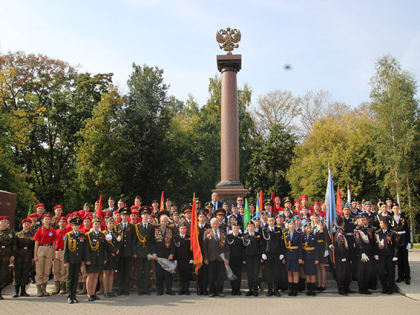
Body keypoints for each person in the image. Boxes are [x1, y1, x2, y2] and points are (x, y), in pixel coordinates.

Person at [203, 217, 230, 297]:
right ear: (211, 224)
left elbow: (226, 247)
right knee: (211, 276)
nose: (215, 225)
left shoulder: (223, 233)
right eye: (213, 223)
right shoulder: (206, 233)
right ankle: (212, 291)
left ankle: (220, 291)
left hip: (221, 258)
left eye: (216, 223)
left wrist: (227, 258)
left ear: (219, 224)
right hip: (211, 258)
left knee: (220, 276)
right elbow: (205, 247)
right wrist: (205, 258)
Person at [151, 212, 175, 295]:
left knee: (168, 274)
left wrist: (172, 253)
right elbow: (152, 243)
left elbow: (172, 243)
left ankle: (169, 289)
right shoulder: (155, 229)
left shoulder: (170, 229)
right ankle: (159, 290)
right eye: (162, 221)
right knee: (159, 274)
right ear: (160, 221)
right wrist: (154, 253)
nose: (164, 223)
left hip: (168, 255)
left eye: (165, 221)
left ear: (168, 222)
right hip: (158, 255)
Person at [32, 213, 56, 297]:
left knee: (47, 270)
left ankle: (44, 289)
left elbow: (53, 243)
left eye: (48, 219)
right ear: (42, 221)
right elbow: (36, 243)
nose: (47, 220)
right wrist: (35, 255)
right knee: (39, 270)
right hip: (41, 249)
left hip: (49, 249)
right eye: (45, 219)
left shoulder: (52, 230)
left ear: (50, 221)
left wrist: (53, 254)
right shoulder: (39, 230)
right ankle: (39, 290)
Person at [262, 216, 285, 296]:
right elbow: (262, 243)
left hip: (277, 254)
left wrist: (282, 253)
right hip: (268, 255)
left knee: (276, 273)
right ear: (267, 222)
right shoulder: (264, 231)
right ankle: (269, 290)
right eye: (270, 221)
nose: (271, 222)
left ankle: (275, 290)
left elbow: (282, 242)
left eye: (272, 220)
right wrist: (263, 253)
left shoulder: (278, 230)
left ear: (274, 221)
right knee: (269, 273)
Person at [133, 206, 154, 295]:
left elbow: (153, 241)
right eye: (143, 214)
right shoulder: (137, 226)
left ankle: (146, 289)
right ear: (141, 216)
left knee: (147, 271)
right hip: (139, 252)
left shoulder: (151, 227)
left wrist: (152, 252)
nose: (145, 216)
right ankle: (140, 289)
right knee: (139, 271)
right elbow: (134, 241)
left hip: (148, 252)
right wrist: (134, 252)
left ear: (149, 216)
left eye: (147, 214)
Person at [64, 216, 85, 304]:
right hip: (70, 260)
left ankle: (74, 296)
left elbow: (83, 249)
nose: (76, 227)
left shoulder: (82, 235)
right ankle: (69, 296)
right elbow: (66, 249)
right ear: (72, 226)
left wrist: (83, 260)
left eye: (78, 225)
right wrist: (66, 261)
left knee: (76, 278)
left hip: (78, 260)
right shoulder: (68, 235)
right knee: (69, 278)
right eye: (75, 225)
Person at [85, 218, 107, 301]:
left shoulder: (102, 235)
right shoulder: (88, 235)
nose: (97, 225)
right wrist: (87, 259)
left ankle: (93, 293)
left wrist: (105, 258)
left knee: (96, 276)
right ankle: (89, 294)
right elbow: (86, 249)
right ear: (92, 225)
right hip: (91, 259)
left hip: (99, 259)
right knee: (90, 276)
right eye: (95, 224)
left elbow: (104, 248)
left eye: (98, 224)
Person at [115, 207, 135, 295]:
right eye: (123, 215)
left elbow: (134, 240)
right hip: (119, 252)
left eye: (126, 215)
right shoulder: (117, 226)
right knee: (120, 271)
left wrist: (133, 252)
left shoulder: (132, 226)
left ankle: (126, 289)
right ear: (121, 216)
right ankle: (120, 289)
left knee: (127, 271)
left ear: (128, 216)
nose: (125, 217)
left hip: (128, 252)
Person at [375, 218, 398, 294]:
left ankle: (391, 288)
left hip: (390, 256)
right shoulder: (378, 233)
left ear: (385, 224)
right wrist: (376, 254)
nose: (380, 225)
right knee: (381, 272)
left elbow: (396, 246)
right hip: (381, 256)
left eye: (381, 223)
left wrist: (395, 255)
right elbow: (376, 244)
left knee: (391, 273)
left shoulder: (392, 233)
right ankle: (384, 287)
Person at [354, 213, 375, 294]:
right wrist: (362, 252)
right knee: (362, 272)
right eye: (361, 220)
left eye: (364, 220)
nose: (363, 221)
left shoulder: (364, 229)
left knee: (367, 271)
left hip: (368, 252)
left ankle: (365, 288)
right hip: (361, 254)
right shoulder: (357, 230)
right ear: (357, 221)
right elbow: (358, 242)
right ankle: (362, 289)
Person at [391, 203, 411, 285]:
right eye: (394, 208)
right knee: (398, 260)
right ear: (392, 209)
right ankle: (400, 276)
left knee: (405, 260)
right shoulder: (390, 218)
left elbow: (407, 230)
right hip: (396, 241)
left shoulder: (403, 218)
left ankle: (407, 277)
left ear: (398, 209)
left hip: (403, 240)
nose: (396, 209)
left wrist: (409, 242)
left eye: (397, 208)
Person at [12, 218, 33, 298]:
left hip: (28, 256)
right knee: (17, 273)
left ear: (30, 225)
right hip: (19, 257)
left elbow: (34, 246)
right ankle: (16, 291)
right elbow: (14, 246)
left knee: (25, 273)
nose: (26, 225)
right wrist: (13, 255)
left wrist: (33, 257)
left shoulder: (32, 235)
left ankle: (23, 291)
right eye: (25, 224)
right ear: (22, 225)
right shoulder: (17, 235)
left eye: (28, 224)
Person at [333, 216, 352, 295]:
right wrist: (343, 256)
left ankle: (346, 288)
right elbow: (340, 245)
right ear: (342, 223)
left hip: (345, 255)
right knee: (341, 273)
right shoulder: (339, 232)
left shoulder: (341, 231)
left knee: (347, 273)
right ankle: (341, 289)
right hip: (341, 256)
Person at [242, 221, 262, 296]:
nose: (251, 227)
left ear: (254, 227)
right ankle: (250, 289)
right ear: (247, 228)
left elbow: (261, 247)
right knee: (249, 274)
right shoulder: (244, 236)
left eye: (252, 226)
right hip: (248, 258)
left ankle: (255, 290)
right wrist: (243, 259)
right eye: (249, 226)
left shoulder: (258, 235)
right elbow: (243, 249)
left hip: (256, 257)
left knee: (256, 274)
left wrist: (261, 257)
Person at [284, 219, 303, 296]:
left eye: (293, 224)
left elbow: (300, 247)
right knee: (289, 273)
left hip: (295, 255)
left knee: (295, 272)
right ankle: (290, 289)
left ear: (295, 226)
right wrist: (283, 257)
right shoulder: (285, 234)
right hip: (288, 255)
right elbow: (283, 247)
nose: (292, 225)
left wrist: (300, 257)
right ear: (288, 225)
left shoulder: (298, 234)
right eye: (290, 224)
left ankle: (295, 289)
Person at [103, 217, 121, 298]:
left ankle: (110, 290)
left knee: (112, 274)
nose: (111, 225)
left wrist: (117, 250)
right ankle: (106, 291)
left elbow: (119, 243)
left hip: (114, 257)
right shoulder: (103, 233)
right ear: (106, 224)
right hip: (107, 256)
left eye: (113, 223)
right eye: (110, 223)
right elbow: (104, 245)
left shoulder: (116, 233)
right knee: (106, 273)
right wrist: (113, 251)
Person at [174, 222, 193, 295]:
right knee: (181, 275)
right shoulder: (176, 238)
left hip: (188, 260)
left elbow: (192, 249)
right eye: (181, 228)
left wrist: (192, 258)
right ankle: (181, 289)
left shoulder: (189, 237)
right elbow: (175, 249)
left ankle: (187, 289)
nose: (183, 229)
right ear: (179, 229)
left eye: (184, 228)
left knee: (187, 274)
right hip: (179, 259)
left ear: (186, 229)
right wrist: (175, 259)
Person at [312, 215, 330, 291]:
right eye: (314, 218)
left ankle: (323, 284)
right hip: (315, 249)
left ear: (319, 219)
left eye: (317, 218)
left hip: (322, 248)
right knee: (317, 267)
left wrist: (326, 249)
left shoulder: (323, 227)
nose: (315, 219)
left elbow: (326, 238)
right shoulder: (312, 227)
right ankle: (319, 284)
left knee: (322, 266)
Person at [302, 222, 319, 296]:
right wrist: (301, 258)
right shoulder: (302, 237)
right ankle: (308, 289)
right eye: (307, 227)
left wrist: (316, 258)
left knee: (313, 273)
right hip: (305, 257)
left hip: (312, 257)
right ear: (305, 229)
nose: (309, 229)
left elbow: (317, 248)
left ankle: (313, 289)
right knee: (307, 273)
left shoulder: (314, 237)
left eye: (310, 227)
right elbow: (301, 249)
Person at [227, 223, 244, 295]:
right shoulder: (228, 237)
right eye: (234, 228)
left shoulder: (241, 236)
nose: (236, 229)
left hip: (239, 259)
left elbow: (243, 249)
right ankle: (233, 289)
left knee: (238, 275)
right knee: (232, 274)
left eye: (237, 228)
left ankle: (238, 289)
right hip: (231, 259)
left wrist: (243, 259)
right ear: (232, 229)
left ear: (239, 229)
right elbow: (227, 249)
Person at [52, 216, 68, 295]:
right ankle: (56, 287)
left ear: (66, 223)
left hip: (64, 252)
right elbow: (52, 242)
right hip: (56, 252)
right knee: (56, 270)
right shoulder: (55, 232)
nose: (62, 223)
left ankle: (63, 287)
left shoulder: (68, 232)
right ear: (58, 223)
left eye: (64, 222)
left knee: (63, 270)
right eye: (61, 222)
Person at [0, 216, 15, 299]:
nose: (4, 223)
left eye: (5, 221)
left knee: (3, 274)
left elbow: (14, 245)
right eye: (2, 221)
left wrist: (12, 255)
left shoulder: (11, 233)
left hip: (6, 256)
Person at [197, 209, 210, 295]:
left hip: (206, 252)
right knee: (198, 271)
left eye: (203, 217)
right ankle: (199, 289)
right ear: (198, 217)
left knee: (205, 272)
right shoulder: (194, 227)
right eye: (200, 217)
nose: (202, 218)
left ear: (205, 218)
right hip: (197, 252)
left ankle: (204, 288)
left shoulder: (208, 226)